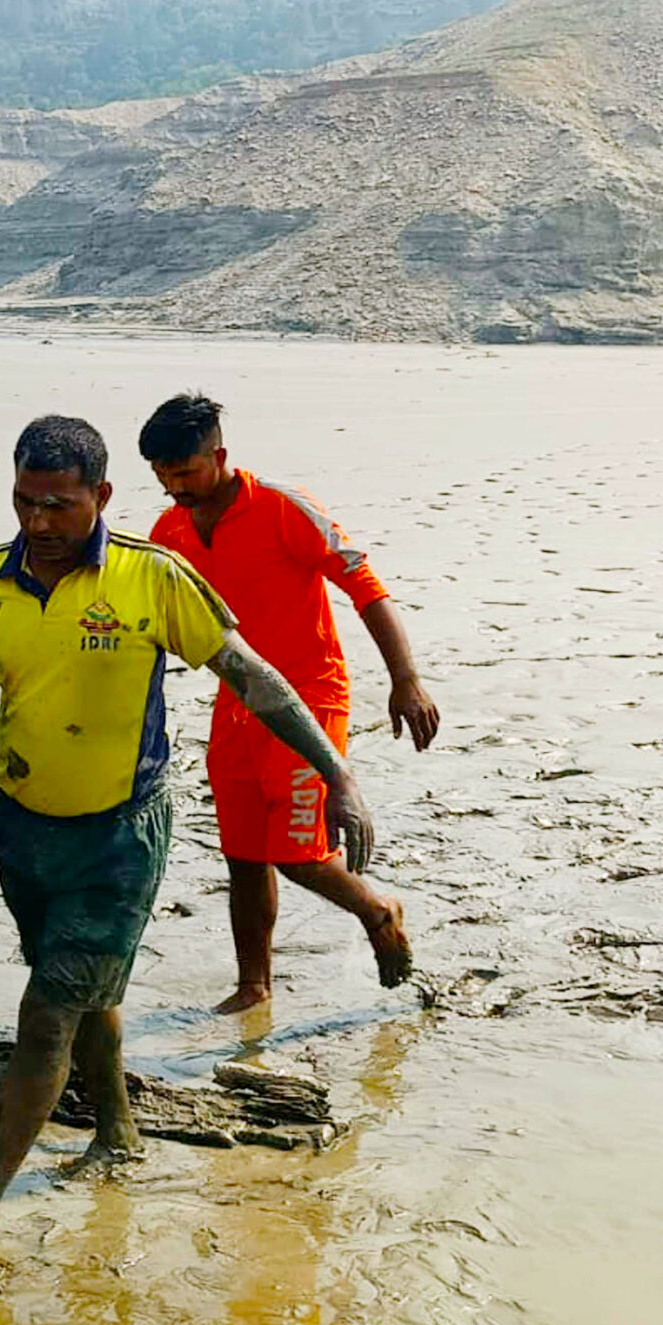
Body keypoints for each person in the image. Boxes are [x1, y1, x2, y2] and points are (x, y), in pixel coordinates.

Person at [0, 414, 378, 1305]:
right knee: (85, 988)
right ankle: (118, 1131)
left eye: (59, 504)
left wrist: (338, 776)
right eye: (24, 501)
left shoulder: (151, 577)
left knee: (47, 1014)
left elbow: (255, 677)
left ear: (101, 496)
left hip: (119, 834)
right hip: (20, 824)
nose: (40, 521)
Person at [140, 391, 437, 1015]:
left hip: (311, 698)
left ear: (218, 455)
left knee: (296, 852)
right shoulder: (169, 531)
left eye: (185, 473)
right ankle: (255, 986)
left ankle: (378, 909)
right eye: (162, 477)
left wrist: (405, 679)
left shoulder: (283, 508)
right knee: (243, 853)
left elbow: (366, 588)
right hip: (237, 703)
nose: (175, 489)